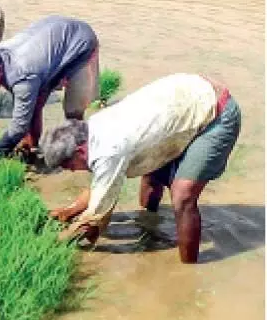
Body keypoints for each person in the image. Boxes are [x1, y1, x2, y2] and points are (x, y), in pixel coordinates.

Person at [40, 73, 241, 264]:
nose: (73, 171)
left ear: (79, 151)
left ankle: (188, 273)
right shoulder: (93, 129)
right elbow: (102, 184)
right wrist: (69, 211)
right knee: (150, 173)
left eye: (69, 165)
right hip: (186, 100)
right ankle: (149, 226)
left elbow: (93, 219)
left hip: (216, 112)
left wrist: (55, 243)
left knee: (183, 195)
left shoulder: (108, 150)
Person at [0, 15, 99, 159]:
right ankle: (33, 147)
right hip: (52, 36)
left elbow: (19, 126)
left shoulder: (22, 77)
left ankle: (82, 156)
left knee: (73, 113)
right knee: (35, 103)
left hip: (81, 43)